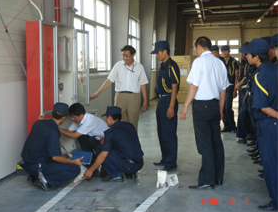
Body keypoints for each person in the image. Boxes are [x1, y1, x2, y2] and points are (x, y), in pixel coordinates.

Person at [179, 36, 229, 189]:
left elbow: (194, 86)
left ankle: (207, 180)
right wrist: (220, 109)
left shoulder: (199, 62)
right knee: (216, 142)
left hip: (202, 107)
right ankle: (218, 177)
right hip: (214, 106)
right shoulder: (219, 63)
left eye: (195, 48)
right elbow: (223, 90)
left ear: (199, 46)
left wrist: (186, 106)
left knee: (205, 144)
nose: (195, 51)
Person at [240, 38, 277, 211]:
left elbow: (263, 107)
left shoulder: (260, 75)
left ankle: (276, 200)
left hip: (269, 125)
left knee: (271, 164)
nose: (246, 56)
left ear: (256, 57)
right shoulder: (274, 69)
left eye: (248, 54)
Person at [21, 103, 83, 191]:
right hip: (38, 166)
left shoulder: (39, 123)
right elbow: (56, 157)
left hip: (27, 165)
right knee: (75, 169)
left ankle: (35, 177)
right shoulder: (53, 131)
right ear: (64, 118)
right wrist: (73, 162)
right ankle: (46, 181)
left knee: (59, 161)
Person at [89, 45, 148, 130]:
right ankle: (120, 142)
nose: (125, 58)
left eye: (127, 56)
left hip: (133, 98)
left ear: (133, 55)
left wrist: (145, 100)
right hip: (120, 97)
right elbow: (109, 80)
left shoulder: (139, 67)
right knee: (118, 123)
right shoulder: (118, 66)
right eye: (123, 56)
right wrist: (98, 92)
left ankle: (132, 142)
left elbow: (143, 84)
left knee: (133, 123)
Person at [83, 106, 144, 182]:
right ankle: (130, 173)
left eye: (106, 118)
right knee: (123, 151)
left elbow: (103, 155)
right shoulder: (129, 125)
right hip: (140, 163)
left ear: (110, 118)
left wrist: (90, 170)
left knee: (100, 148)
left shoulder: (110, 132)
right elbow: (125, 142)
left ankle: (116, 175)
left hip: (129, 166)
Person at [150, 40, 180, 171]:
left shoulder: (172, 66)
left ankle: (171, 162)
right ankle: (165, 158)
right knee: (161, 132)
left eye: (158, 53)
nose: (156, 55)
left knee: (169, 133)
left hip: (169, 101)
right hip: (161, 101)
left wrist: (171, 106)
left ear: (165, 52)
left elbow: (174, 87)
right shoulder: (163, 65)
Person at [220, 45, 239, 133]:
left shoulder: (234, 62)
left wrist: (235, 89)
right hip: (222, 87)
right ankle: (226, 126)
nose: (224, 52)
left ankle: (232, 126)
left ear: (229, 51)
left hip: (231, 86)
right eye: (222, 51)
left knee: (228, 107)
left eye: (225, 51)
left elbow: (236, 76)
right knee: (223, 107)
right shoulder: (221, 62)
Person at [235, 42, 250, 144]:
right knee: (243, 111)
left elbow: (247, 77)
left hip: (246, 89)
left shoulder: (249, 63)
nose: (241, 54)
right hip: (242, 89)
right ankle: (245, 134)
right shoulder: (243, 62)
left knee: (243, 113)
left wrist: (238, 84)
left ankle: (244, 135)